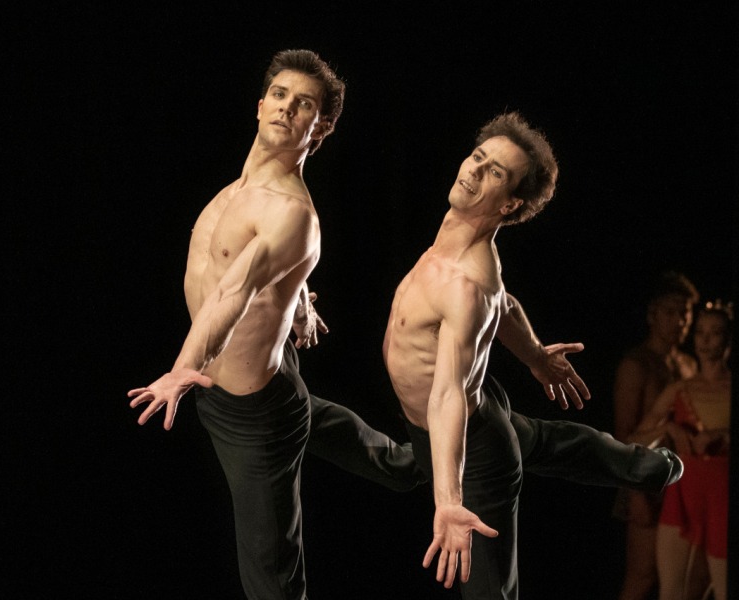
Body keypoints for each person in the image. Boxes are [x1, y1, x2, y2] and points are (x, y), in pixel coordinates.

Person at [381, 111, 684, 599]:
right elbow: (507, 304)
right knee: (539, 439)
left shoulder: (467, 282)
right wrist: (537, 356)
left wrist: (449, 500)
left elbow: (449, 393)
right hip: (479, 412)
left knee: (489, 589)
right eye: (478, 157)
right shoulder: (456, 226)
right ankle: (647, 467)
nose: (475, 171)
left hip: (473, 447)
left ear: (509, 204)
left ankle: (651, 469)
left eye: (495, 173)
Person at [128, 49, 348, 600]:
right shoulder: (235, 192)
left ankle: (448, 458)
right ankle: (422, 456)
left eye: (304, 105)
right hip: (242, 377)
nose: (286, 108)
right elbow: (270, 272)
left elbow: (235, 288)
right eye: (279, 95)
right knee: (359, 443)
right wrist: (300, 300)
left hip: (254, 415)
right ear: (259, 106)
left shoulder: (291, 211)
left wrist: (183, 368)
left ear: (317, 128)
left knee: (270, 575)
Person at [631, 300, 732, 600]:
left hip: (722, 496)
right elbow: (634, 440)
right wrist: (668, 429)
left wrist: (723, 435)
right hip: (684, 493)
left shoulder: (735, 387)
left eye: (715, 332)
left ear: (728, 338)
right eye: (700, 331)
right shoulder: (681, 389)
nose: (705, 339)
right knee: (673, 591)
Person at [613, 270, 702, 600]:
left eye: (685, 312)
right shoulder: (636, 365)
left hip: (685, 482)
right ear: (653, 315)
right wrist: (636, 494)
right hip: (646, 481)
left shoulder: (690, 365)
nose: (679, 321)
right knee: (642, 575)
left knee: (685, 578)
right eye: (670, 312)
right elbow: (622, 439)